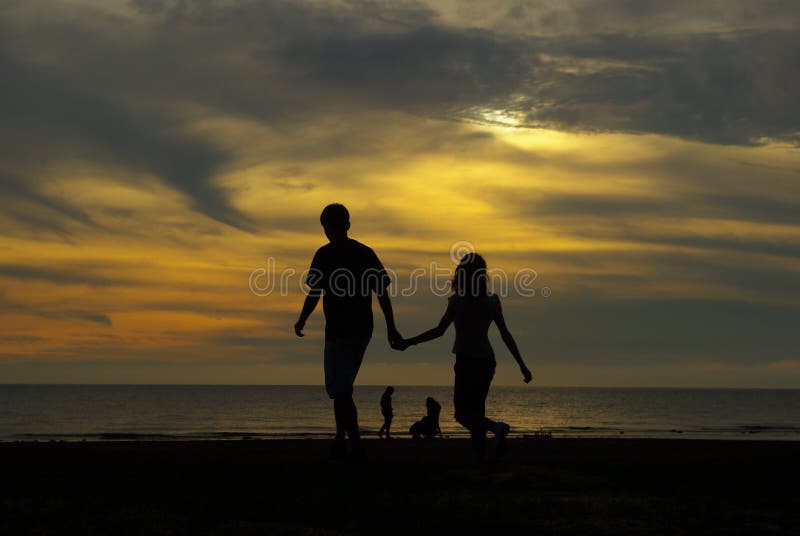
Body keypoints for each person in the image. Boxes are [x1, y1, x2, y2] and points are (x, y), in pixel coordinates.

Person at [396, 253, 532, 460]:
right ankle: (482, 455)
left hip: (467, 362)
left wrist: (409, 342)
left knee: (462, 414)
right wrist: (522, 365)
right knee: (476, 412)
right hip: (487, 361)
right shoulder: (492, 301)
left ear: (461, 275)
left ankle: (498, 428)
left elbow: (438, 331)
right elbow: (505, 334)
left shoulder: (457, 302)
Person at [295, 204, 402, 462]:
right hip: (363, 330)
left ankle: (354, 444)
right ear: (348, 224)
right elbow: (382, 293)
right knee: (343, 387)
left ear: (326, 228)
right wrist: (391, 327)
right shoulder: (365, 253)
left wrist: (302, 318)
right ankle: (341, 439)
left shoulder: (324, 254)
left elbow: (314, 292)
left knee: (341, 390)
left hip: (339, 331)